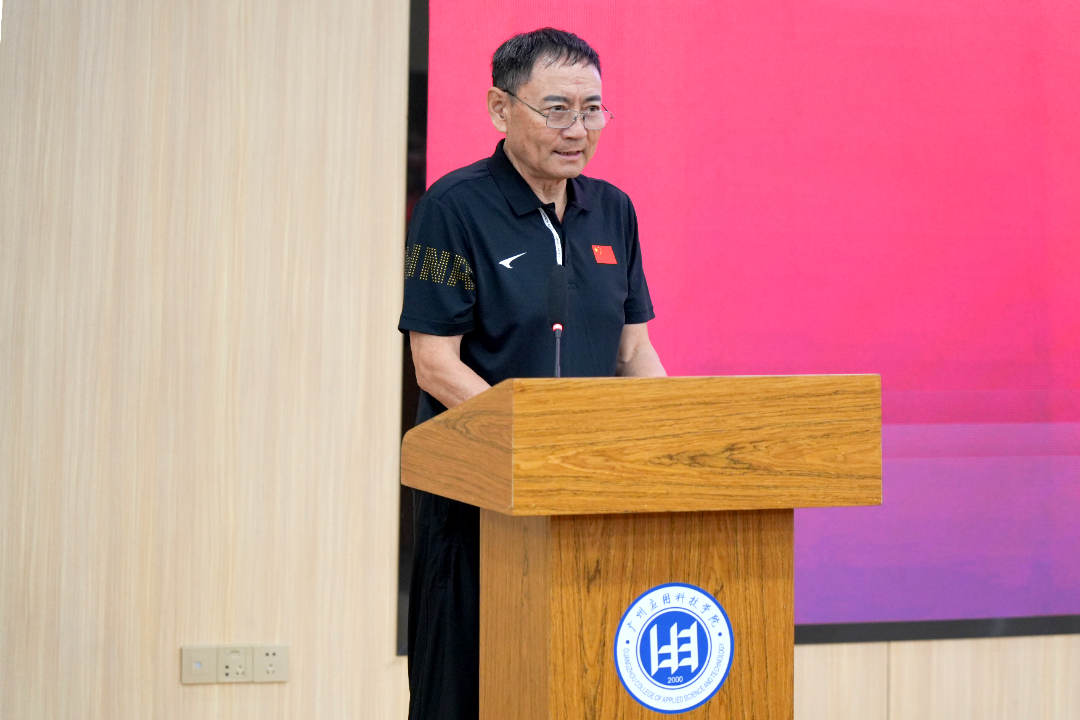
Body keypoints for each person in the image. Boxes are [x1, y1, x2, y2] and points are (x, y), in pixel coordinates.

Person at [398, 27, 666, 720]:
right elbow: (435, 364)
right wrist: (535, 446)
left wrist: (670, 444)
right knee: (468, 688)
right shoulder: (452, 208)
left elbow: (633, 355)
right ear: (500, 108)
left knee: (580, 681)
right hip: (477, 502)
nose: (578, 130)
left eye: (592, 109)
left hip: (589, 498)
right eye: (557, 109)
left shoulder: (614, 210)